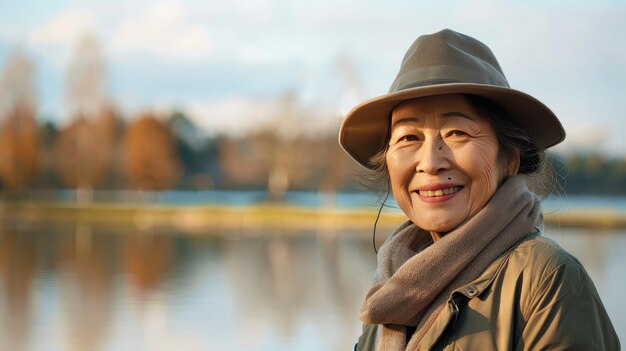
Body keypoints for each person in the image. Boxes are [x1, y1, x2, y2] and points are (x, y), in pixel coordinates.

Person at [339, 29, 620, 350]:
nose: (430, 162)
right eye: (408, 138)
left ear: (510, 159)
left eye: (457, 132)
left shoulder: (546, 279)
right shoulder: (390, 297)